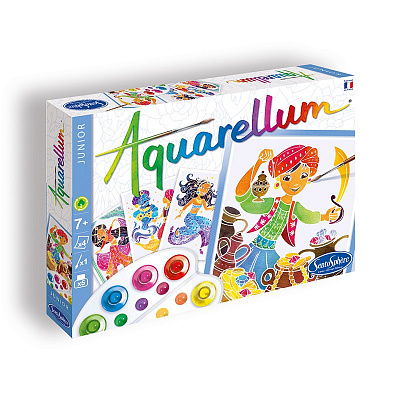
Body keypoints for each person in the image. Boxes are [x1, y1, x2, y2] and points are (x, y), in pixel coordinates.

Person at [235, 146, 340, 290]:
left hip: (271, 251)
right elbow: (244, 200)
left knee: (272, 282)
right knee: (243, 279)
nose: (295, 183)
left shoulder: (295, 207)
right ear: (279, 180)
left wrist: (325, 216)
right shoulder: (271, 203)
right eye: (287, 178)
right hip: (255, 248)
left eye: (303, 176)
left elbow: (307, 217)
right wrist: (258, 163)